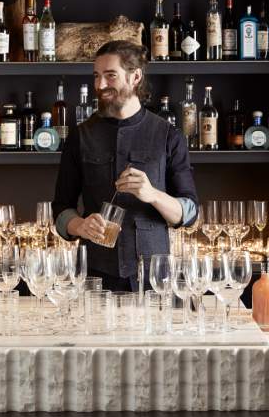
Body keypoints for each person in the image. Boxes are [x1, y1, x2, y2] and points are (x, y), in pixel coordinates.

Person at [52, 40, 198, 291]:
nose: (100, 85)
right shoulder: (80, 136)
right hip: (94, 277)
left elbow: (190, 212)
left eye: (110, 76)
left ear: (135, 77)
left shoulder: (168, 135)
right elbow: (61, 209)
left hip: (154, 279)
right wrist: (80, 226)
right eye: (97, 76)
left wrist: (152, 195)